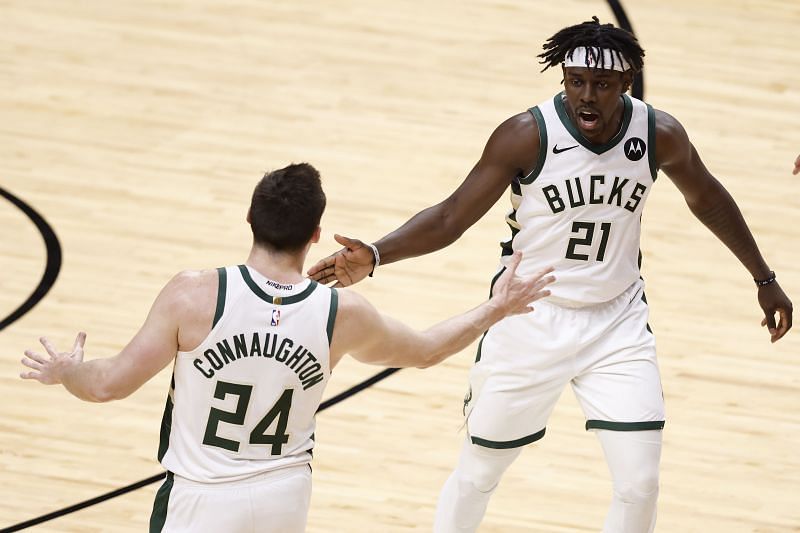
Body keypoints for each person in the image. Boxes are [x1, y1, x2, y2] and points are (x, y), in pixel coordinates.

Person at [307, 17, 793, 533]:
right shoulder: (526, 135)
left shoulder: (658, 133)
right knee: (478, 474)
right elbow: (452, 216)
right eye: (575, 81)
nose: (587, 95)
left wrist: (763, 278)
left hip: (617, 322)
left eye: (602, 85)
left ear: (626, 84)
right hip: (526, 315)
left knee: (640, 485)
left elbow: (709, 199)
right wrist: (377, 254)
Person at [19, 163, 555, 533]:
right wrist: (495, 308)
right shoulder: (339, 313)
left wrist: (69, 371)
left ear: (250, 218)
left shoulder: (194, 294)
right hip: (283, 495)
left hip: (201, 498)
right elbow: (424, 351)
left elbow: (109, 384)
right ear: (316, 234)